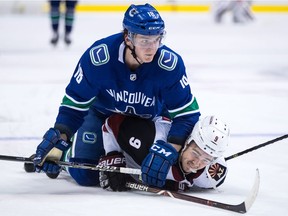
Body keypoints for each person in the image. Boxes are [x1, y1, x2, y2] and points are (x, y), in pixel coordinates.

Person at [31, 3, 201, 187]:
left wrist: (169, 150)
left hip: (147, 121)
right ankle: (66, 155)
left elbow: (186, 115)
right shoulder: (98, 59)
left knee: (158, 170)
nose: (152, 48)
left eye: (156, 39)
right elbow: (74, 104)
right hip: (100, 114)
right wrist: (61, 138)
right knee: (85, 174)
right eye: (144, 41)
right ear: (128, 38)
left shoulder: (170, 65)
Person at [98, 114, 230, 192]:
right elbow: (112, 122)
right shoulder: (151, 141)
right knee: (85, 176)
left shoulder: (209, 177)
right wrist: (113, 156)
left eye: (206, 160)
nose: (197, 163)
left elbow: (217, 170)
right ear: (187, 141)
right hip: (121, 107)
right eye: (195, 153)